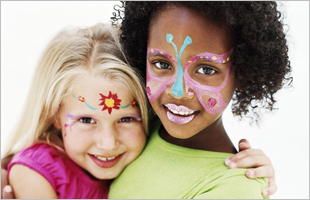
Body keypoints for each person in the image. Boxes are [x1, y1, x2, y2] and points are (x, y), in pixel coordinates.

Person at [108, 1, 291, 199]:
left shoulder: (233, 189)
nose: (178, 91)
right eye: (162, 63)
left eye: (206, 69)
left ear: (244, 73)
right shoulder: (134, 126)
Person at [1, 23, 149, 199]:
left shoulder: (152, 152)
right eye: (86, 120)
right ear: (54, 114)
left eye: (126, 120)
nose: (108, 143)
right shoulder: (35, 173)